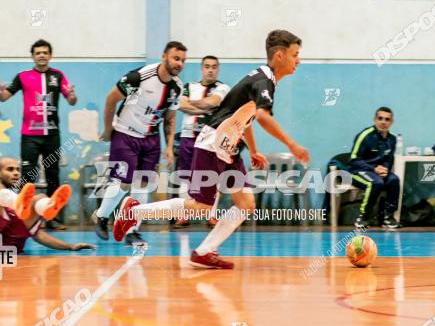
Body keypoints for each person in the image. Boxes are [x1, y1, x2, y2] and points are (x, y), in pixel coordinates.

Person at [112, 29, 309, 269]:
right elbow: (261, 115)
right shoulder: (263, 81)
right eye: (295, 54)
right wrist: (292, 145)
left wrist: (254, 150)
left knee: (246, 204)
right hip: (213, 143)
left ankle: (204, 252)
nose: (298, 60)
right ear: (279, 55)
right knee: (200, 207)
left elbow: (243, 118)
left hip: (229, 148)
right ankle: (135, 212)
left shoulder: (263, 79)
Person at [93, 41, 186, 245]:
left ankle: (132, 231)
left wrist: (169, 147)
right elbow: (111, 99)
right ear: (164, 57)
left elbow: (170, 118)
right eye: (176, 58)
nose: (179, 63)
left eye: (183, 60)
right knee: (124, 183)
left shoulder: (177, 88)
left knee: (144, 184)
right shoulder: (139, 76)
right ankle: (101, 216)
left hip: (151, 140)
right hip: (125, 133)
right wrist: (108, 130)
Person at [0, 39, 77, 230]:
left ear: (50, 55)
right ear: (32, 56)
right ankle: (26, 218)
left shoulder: (58, 76)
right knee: (27, 177)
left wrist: (72, 95)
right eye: (38, 52)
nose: (41, 55)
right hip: (29, 136)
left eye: (45, 52)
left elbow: (71, 100)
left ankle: (52, 218)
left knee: (52, 175)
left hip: (52, 135)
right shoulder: (23, 76)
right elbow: (5, 97)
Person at [0, 146, 93, 253]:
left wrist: (70, 246)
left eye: (18, 169)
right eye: (10, 169)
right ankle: (29, 204)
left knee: (39, 198)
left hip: (9, 247)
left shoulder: (22, 205)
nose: (16, 173)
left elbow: (38, 234)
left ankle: (48, 207)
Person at [174, 55, 230, 227]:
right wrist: (205, 107)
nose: (210, 70)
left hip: (210, 140)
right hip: (188, 138)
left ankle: (211, 215)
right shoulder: (188, 86)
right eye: (207, 66)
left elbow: (214, 102)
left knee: (213, 178)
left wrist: (194, 105)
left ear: (218, 69)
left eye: (214, 66)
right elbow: (181, 105)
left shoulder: (223, 88)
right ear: (201, 68)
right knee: (185, 177)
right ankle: (184, 215)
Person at [348, 107, 401, 230]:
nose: (383, 122)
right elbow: (353, 159)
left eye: (387, 119)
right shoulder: (365, 135)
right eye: (380, 118)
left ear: (391, 122)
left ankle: (388, 217)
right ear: (374, 120)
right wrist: (374, 169)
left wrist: (384, 169)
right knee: (375, 182)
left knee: (394, 180)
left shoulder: (392, 138)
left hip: (378, 171)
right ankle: (363, 217)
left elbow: (388, 159)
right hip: (357, 171)